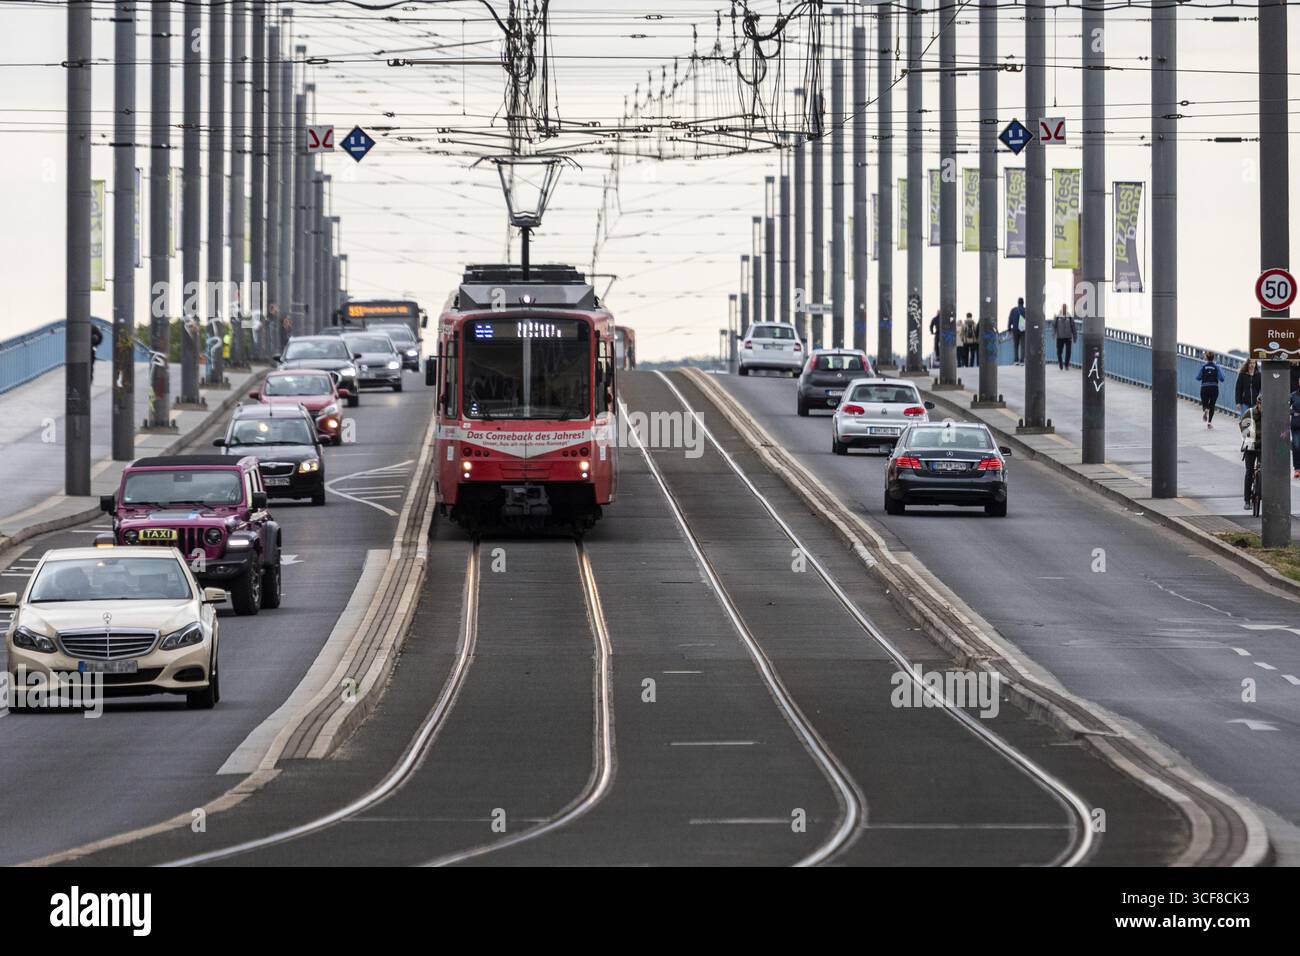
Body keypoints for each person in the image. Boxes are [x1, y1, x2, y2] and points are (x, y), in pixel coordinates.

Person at [1240, 395, 1262, 509]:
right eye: (1261, 404)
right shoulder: (1250, 413)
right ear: (1257, 404)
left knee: (1264, 469)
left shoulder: (1270, 414)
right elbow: (1243, 427)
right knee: (1249, 471)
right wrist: (1248, 438)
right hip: (1251, 444)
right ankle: (1247, 500)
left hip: (1264, 446)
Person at [1196, 350, 1225, 428]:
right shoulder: (1217, 367)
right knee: (1212, 405)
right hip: (1214, 387)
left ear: (1206, 357)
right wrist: (1220, 369)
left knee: (1205, 403)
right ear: (1214, 358)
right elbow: (1222, 378)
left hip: (1204, 387)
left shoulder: (1203, 366)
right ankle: (1209, 423)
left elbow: (1198, 378)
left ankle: (1205, 409)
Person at [1052, 304, 1076, 370]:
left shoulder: (1070, 317)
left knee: (1068, 352)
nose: (1064, 309)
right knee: (1059, 352)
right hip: (1060, 337)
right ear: (1062, 308)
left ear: (1067, 308)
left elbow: (1073, 327)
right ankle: (1060, 363)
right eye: (1063, 308)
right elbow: (1054, 325)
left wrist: (1074, 336)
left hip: (1068, 337)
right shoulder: (1057, 316)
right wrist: (1053, 334)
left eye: (1065, 308)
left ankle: (1066, 365)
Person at [1008, 298, 1026, 365]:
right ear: (1023, 303)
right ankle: (1022, 361)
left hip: (1015, 329)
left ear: (1018, 302)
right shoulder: (1025, 310)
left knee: (1016, 345)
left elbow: (1010, 319)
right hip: (1023, 329)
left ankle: (1016, 360)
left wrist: (1009, 328)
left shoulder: (1013, 310)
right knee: (1023, 345)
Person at [1291, 380, 1300, 478]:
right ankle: (1297, 469)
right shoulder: (1293, 395)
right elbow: (1285, 407)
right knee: (1296, 446)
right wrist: (1293, 413)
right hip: (1296, 424)